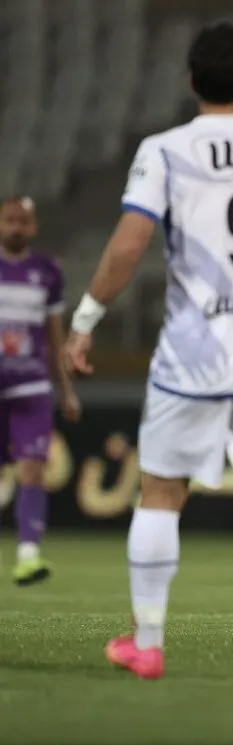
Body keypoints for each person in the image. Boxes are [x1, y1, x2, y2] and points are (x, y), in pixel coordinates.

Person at [62, 22, 233, 684]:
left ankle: (148, 642)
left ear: (191, 81)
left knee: (161, 493)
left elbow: (129, 245)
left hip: (191, 357)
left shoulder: (164, 151)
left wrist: (85, 321)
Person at [0, 196, 81, 584]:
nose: (16, 227)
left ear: (33, 227)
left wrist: (66, 390)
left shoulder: (47, 272)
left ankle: (28, 555)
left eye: (23, 221)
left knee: (32, 467)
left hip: (30, 384)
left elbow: (54, 336)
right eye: (10, 220)